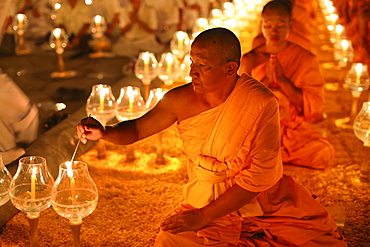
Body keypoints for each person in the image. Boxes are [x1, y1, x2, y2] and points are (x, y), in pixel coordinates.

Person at [77, 27, 346, 246]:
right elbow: (136, 130)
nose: (191, 72)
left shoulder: (260, 102)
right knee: (169, 241)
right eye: (192, 62)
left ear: (230, 68)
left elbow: (259, 177)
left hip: (260, 203)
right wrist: (106, 132)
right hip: (204, 196)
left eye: (202, 66)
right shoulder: (180, 99)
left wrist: (201, 217)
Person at [239, 0, 335, 170]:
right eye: (268, 25)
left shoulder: (304, 59)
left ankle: (269, 157)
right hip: (257, 130)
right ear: (261, 25)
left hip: (291, 131)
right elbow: (239, 105)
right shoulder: (250, 60)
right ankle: (268, 155)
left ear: (291, 25)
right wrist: (264, 85)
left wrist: (284, 82)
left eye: (280, 25)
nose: (273, 31)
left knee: (323, 152)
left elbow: (313, 108)